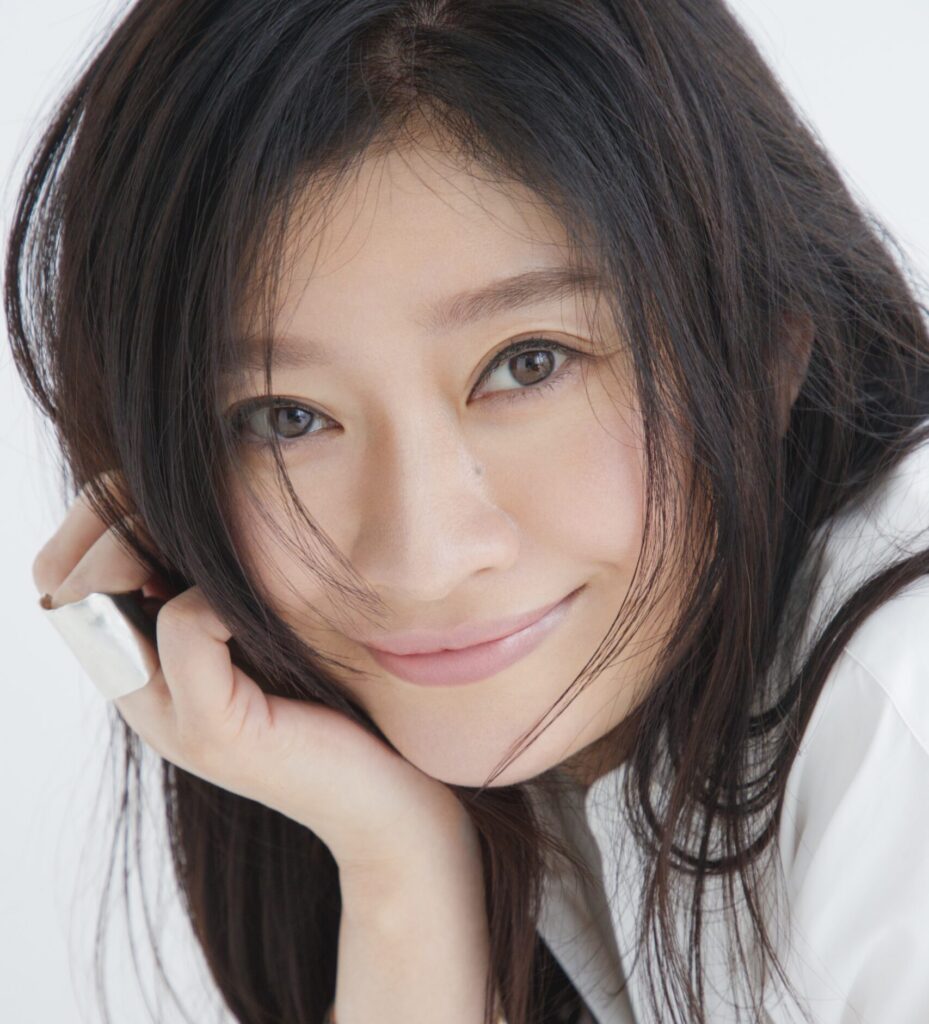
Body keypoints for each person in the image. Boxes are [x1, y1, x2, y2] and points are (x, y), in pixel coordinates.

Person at [7, 1, 929, 1022]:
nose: (422, 557)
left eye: (527, 364)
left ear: (762, 350)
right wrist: (398, 861)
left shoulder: (900, 715)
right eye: (285, 417)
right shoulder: (573, 773)